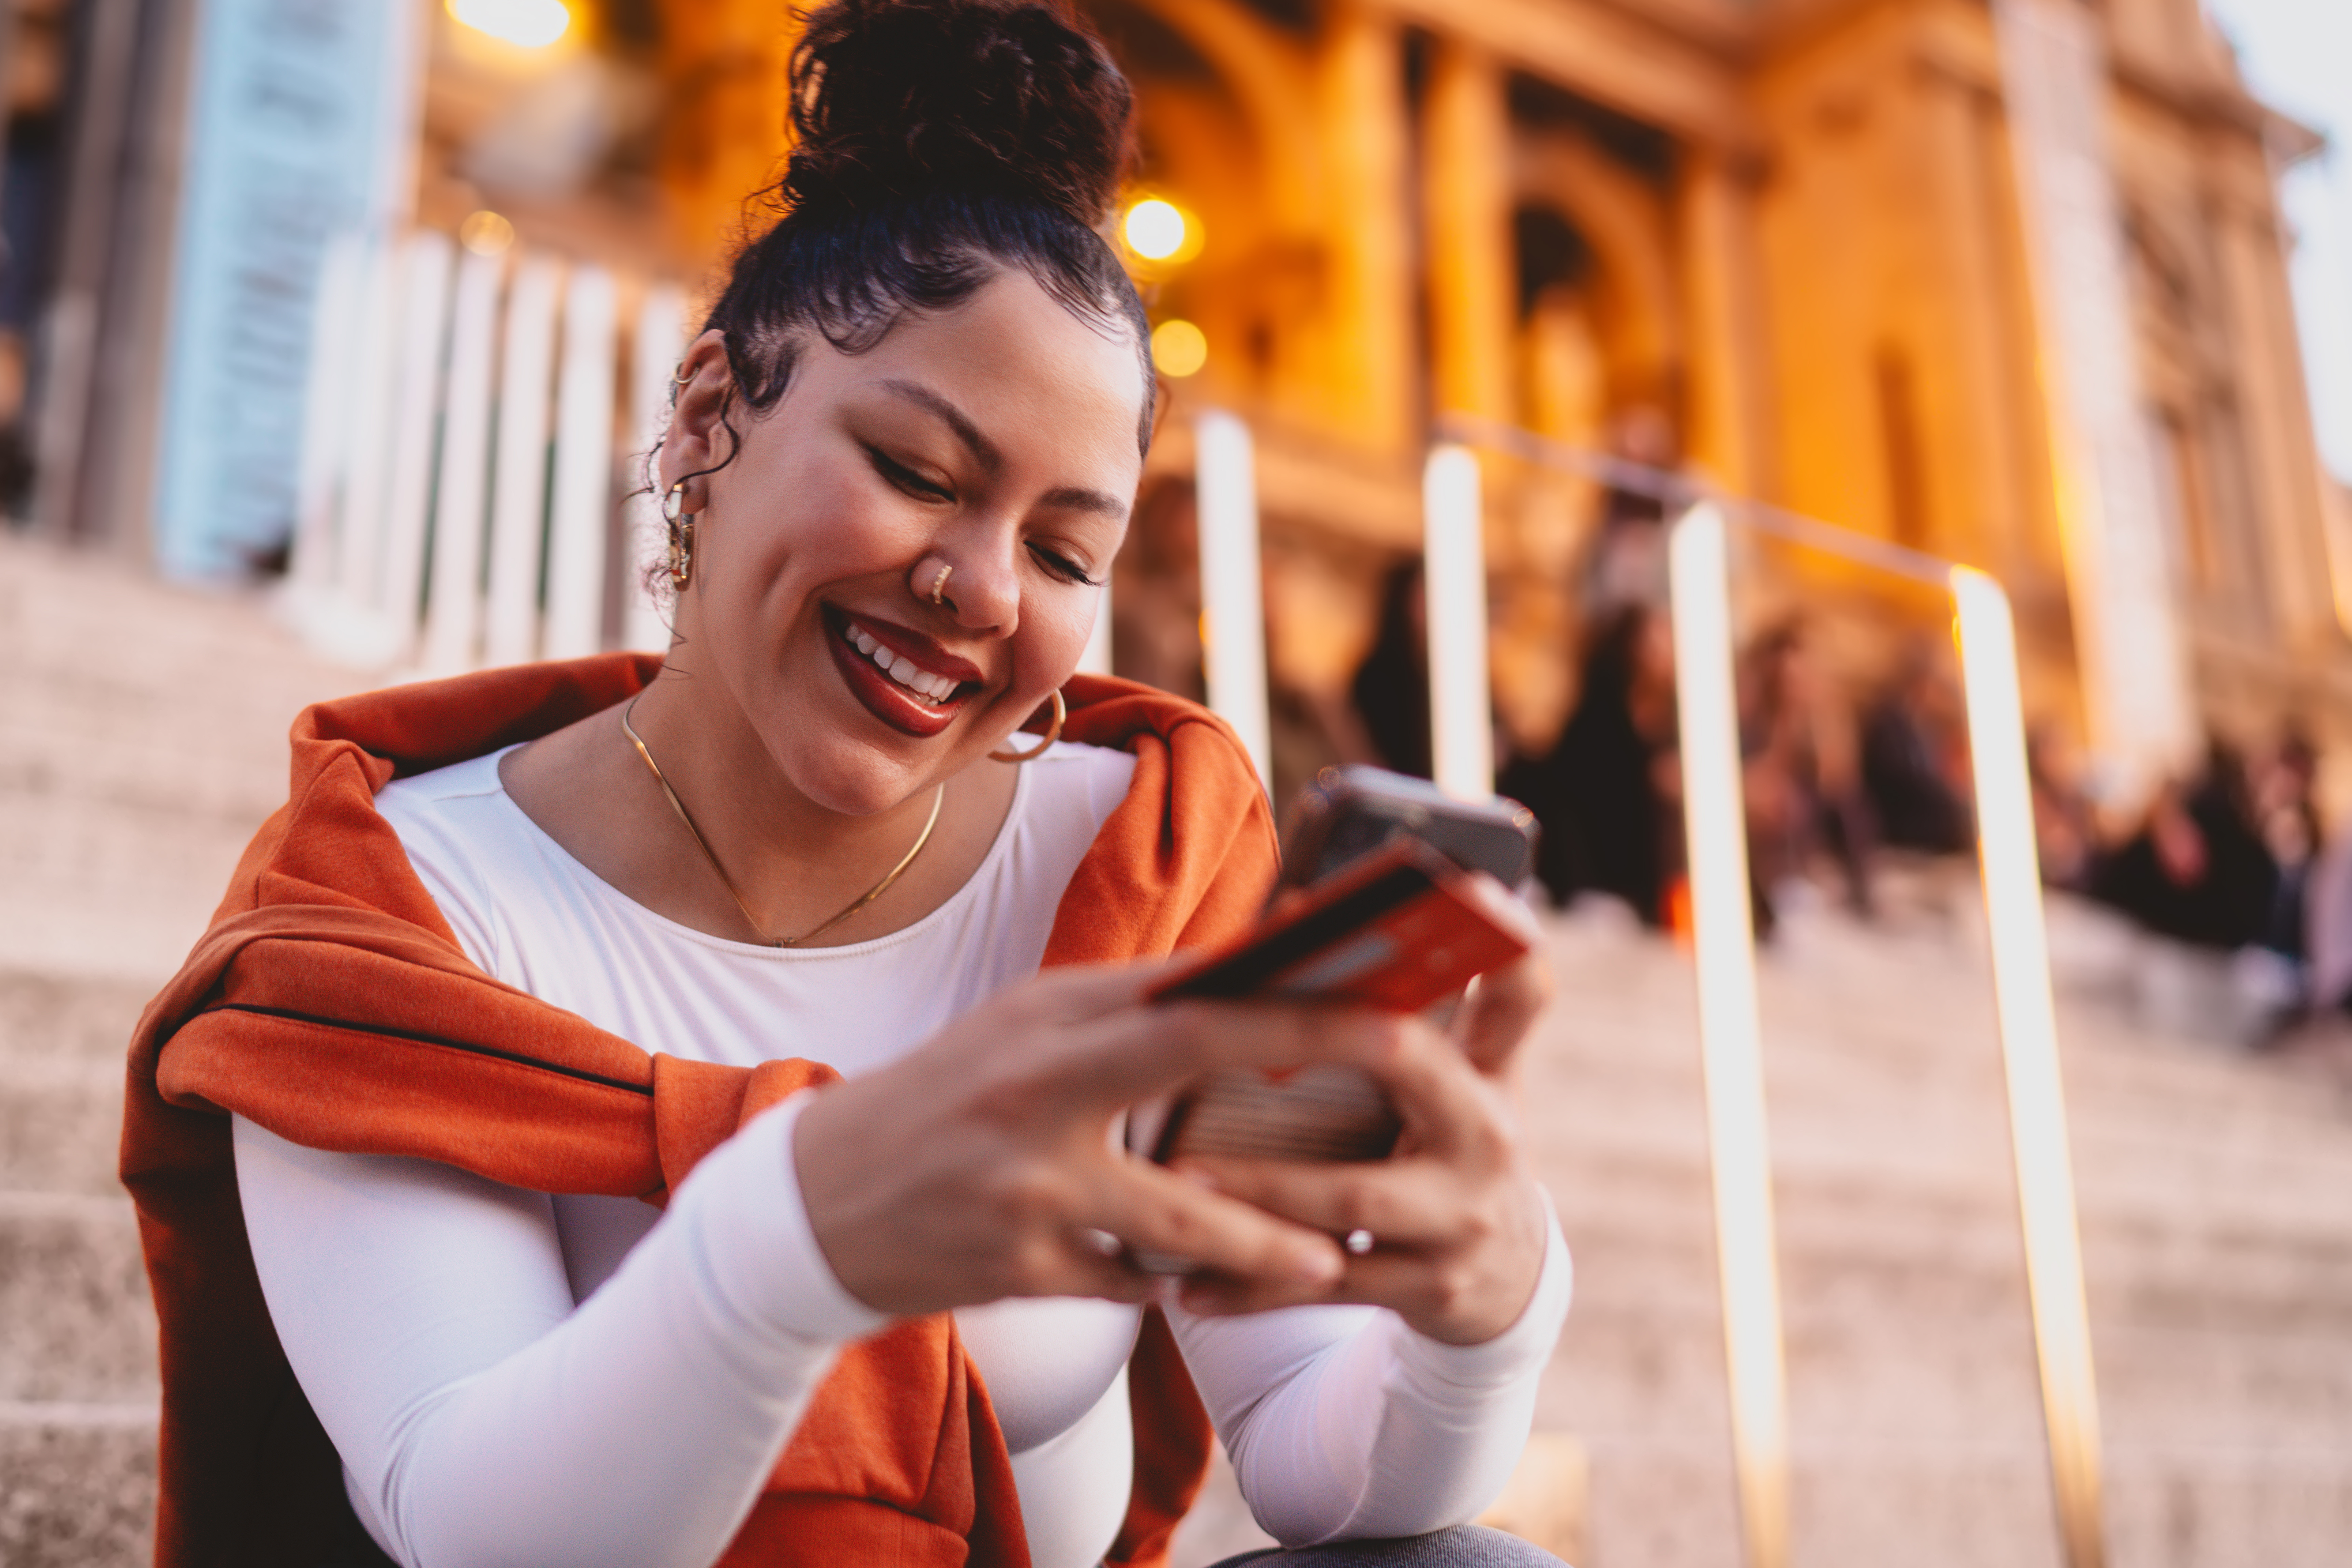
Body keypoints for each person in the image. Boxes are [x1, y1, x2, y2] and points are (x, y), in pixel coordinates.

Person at [118, 5, 1573, 1568]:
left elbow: (1308, 1455)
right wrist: (806, 1232)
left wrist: (1488, 1309)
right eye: (919, 474)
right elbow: (472, 1529)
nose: (980, 587)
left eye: (1065, 550)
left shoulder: (1141, 857)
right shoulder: (381, 914)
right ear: (704, 417)